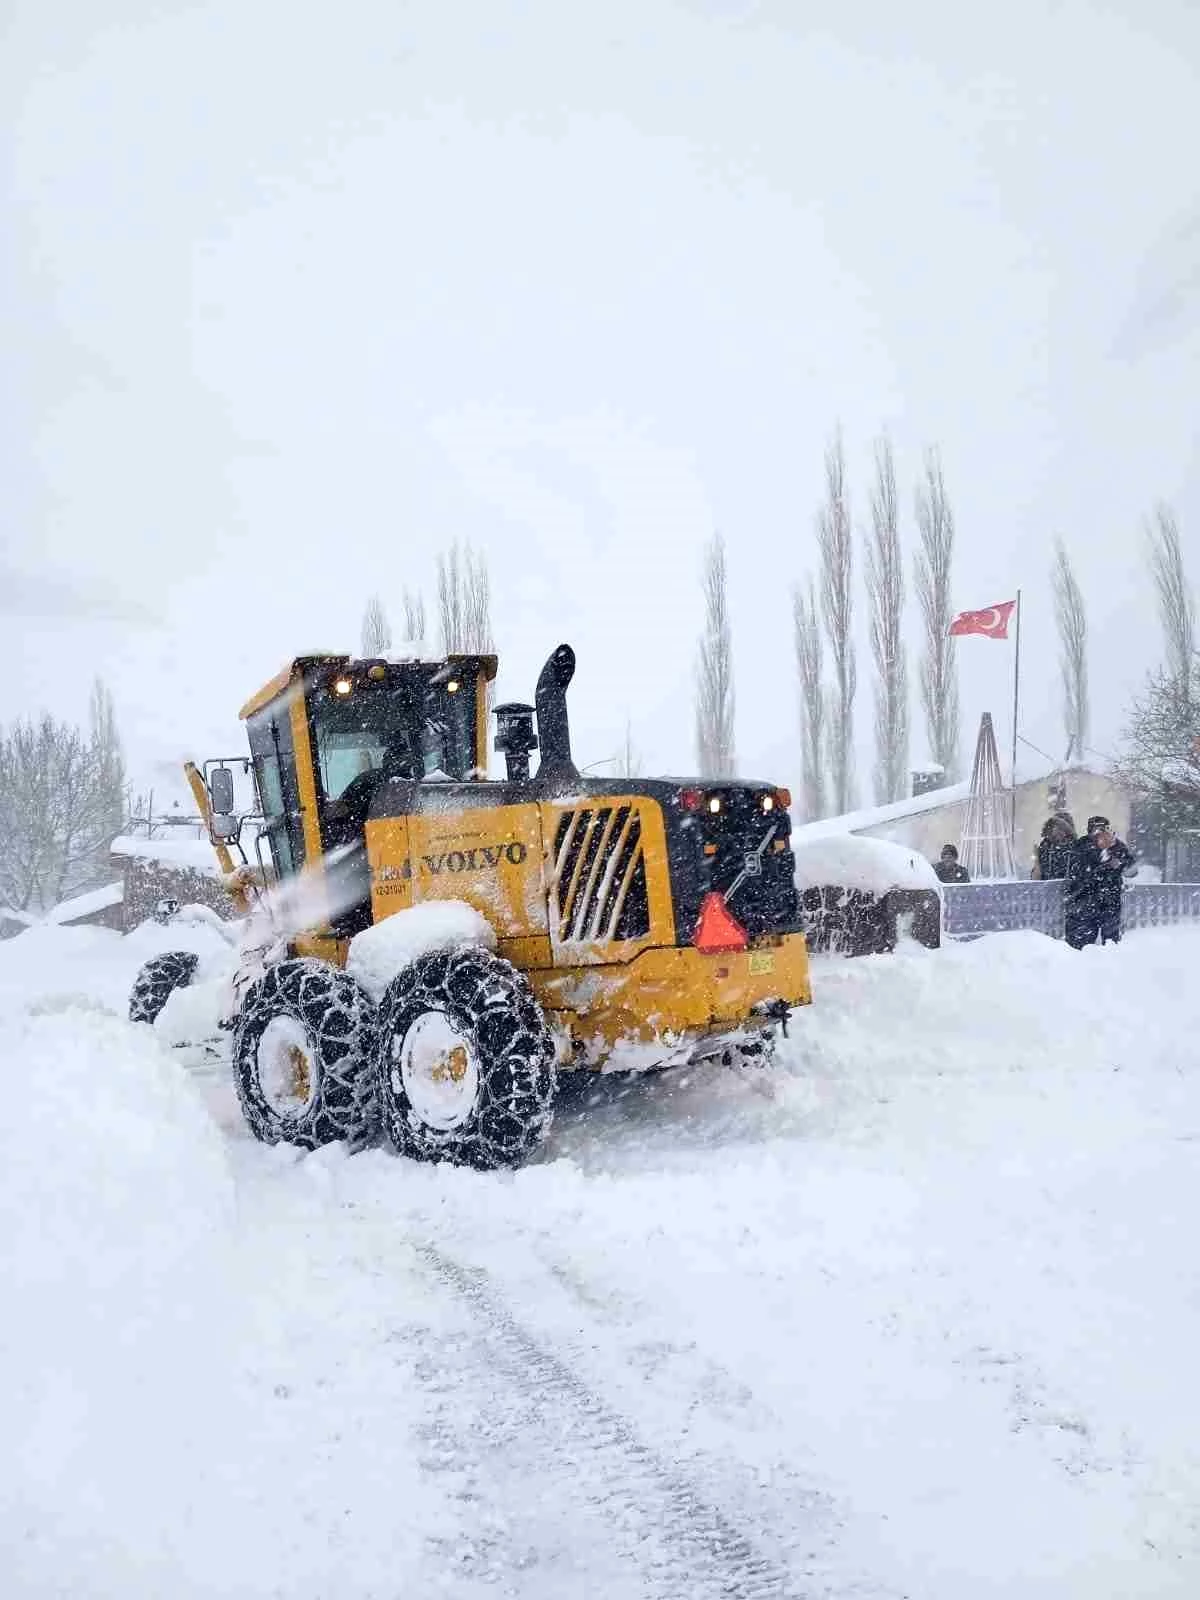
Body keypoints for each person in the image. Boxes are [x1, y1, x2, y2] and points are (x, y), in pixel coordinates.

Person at [1063, 815, 1136, 948]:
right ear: (1089, 830)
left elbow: (1132, 869)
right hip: (1084, 901)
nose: (1099, 832)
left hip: (1109, 902)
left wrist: (1118, 862)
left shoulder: (1116, 845)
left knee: (1111, 944)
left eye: (1103, 828)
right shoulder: (1081, 845)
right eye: (1096, 829)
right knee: (1081, 946)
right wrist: (1103, 863)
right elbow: (1078, 872)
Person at [1031, 812, 1075, 881]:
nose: (1058, 831)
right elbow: (1035, 881)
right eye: (1055, 827)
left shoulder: (1077, 848)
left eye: (1062, 828)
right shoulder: (1045, 848)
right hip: (1049, 889)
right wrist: (1037, 860)